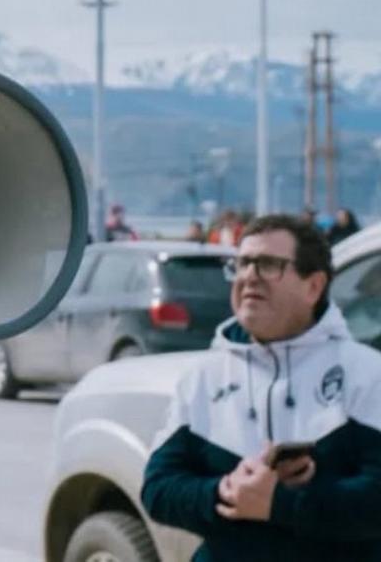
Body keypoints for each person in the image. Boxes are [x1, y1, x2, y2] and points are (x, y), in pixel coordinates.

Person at [141, 214, 381, 561]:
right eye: (242, 264)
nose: (250, 276)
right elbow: (158, 489)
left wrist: (282, 503)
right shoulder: (204, 376)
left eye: (268, 265)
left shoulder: (367, 373)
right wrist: (225, 490)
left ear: (313, 287)